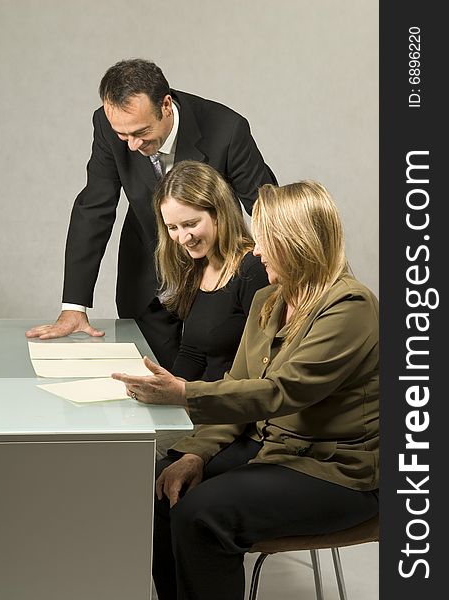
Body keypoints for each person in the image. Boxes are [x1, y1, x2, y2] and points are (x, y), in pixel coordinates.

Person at [112, 180, 379, 600]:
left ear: (298, 244)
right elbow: (237, 387)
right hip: (274, 451)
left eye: (267, 242)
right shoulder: (269, 300)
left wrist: (184, 393)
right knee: (161, 487)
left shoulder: (351, 308)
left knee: (202, 515)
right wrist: (195, 453)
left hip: (336, 472)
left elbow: (279, 393)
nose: (256, 251)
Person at [25, 58, 276, 369]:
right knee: (157, 387)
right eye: (123, 135)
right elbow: (94, 208)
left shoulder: (227, 128)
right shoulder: (108, 125)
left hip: (218, 280)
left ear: (166, 105)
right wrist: (74, 306)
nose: (132, 145)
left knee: (213, 386)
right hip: (149, 277)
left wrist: (294, 277)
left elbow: (269, 209)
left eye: (141, 132)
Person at [152, 160, 269, 457]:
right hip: (202, 409)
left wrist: (187, 398)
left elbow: (260, 371)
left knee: (147, 466)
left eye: (191, 224)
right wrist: (165, 390)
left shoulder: (253, 270)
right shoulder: (196, 267)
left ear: (219, 214)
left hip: (236, 420)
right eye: (172, 228)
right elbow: (192, 353)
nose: (182, 238)